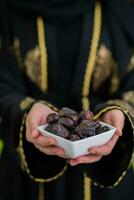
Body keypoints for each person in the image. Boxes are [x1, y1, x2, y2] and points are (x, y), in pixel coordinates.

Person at [0, 0, 134, 199]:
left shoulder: (123, 10)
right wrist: (27, 112)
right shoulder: (8, 9)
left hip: (106, 178)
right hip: (29, 176)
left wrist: (118, 112)